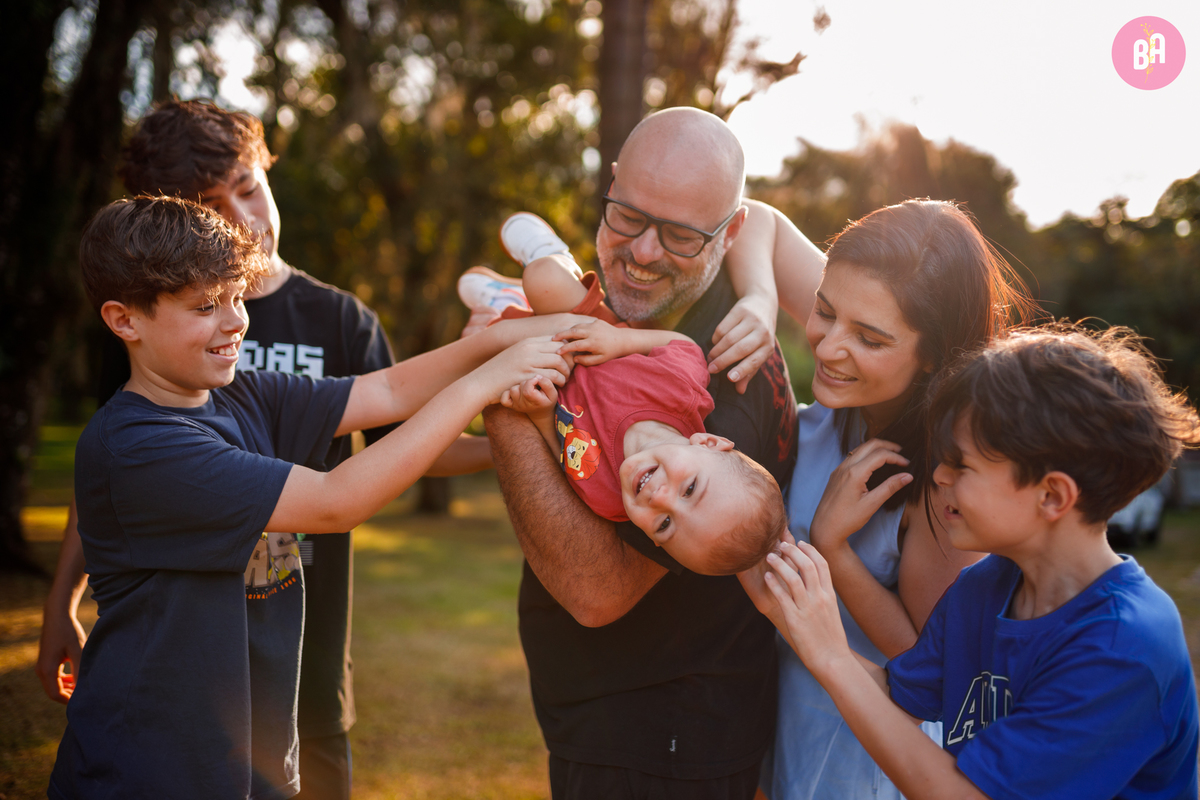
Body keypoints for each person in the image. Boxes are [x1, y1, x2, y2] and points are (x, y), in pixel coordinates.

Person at [49, 195, 580, 799]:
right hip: (150, 771)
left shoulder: (243, 394)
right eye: (204, 307)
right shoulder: (137, 448)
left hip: (250, 758)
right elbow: (336, 500)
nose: (235, 323)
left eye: (237, 297)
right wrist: (487, 381)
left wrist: (549, 331)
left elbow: (386, 390)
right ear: (124, 320)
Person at [481, 106, 826, 798]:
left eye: (678, 236)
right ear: (610, 186)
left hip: (658, 742)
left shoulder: (714, 378)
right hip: (643, 728)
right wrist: (761, 292)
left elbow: (596, 590)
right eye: (628, 217)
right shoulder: (704, 307)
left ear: (724, 234)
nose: (641, 253)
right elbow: (760, 216)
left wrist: (504, 396)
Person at [762, 324, 1200, 800]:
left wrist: (830, 656)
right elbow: (898, 699)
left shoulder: (1123, 647)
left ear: (1052, 495)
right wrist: (793, 611)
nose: (940, 475)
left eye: (961, 464)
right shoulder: (985, 587)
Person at [738, 199, 1034, 800]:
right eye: (823, 311)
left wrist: (834, 550)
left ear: (933, 357)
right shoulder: (850, 353)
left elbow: (932, 663)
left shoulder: (945, 477)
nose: (826, 347)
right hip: (793, 711)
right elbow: (752, 218)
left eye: (869, 339)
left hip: (863, 756)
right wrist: (757, 301)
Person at [482, 254, 786, 575]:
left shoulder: (607, 498)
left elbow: (564, 450)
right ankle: (528, 280)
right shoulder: (682, 391)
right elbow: (684, 347)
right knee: (544, 278)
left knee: (489, 357)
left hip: (548, 369)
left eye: (665, 524)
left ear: (653, 540)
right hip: (588, 335)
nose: (660, 498)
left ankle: (501, 306)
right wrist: (619, 340)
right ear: (709, 442)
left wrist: (542, 411)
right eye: (690, 489)